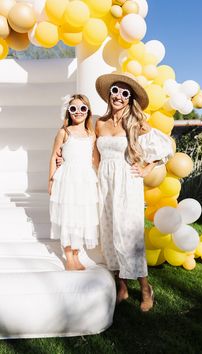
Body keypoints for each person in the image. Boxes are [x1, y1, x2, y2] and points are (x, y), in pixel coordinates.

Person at [95, 74, 173, 312]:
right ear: (110, 94)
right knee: (109, 232)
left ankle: (146, 288)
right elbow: (95, 156)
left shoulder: (136, 123)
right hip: (104, 183)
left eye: (125, 93)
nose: (119, 96)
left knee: (130, 235)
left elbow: (164, 148)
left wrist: (148, 166)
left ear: (129, 100)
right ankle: (122, 287)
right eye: (116, 91)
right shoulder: (99, 122)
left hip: (127, 183)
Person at [48, 94, 99, 271]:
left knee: (80, 218)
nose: (78, 112)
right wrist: (51, 180)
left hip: (84, 180)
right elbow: (54, 156)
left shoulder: (91, 135)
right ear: (68, 112)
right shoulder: (64, 132)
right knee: (68, 217)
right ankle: (69, 256)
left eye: (82, 108)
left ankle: (77, 255)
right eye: (73, 108)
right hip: (67, 179)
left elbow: (95, 159)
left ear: (88, 111)